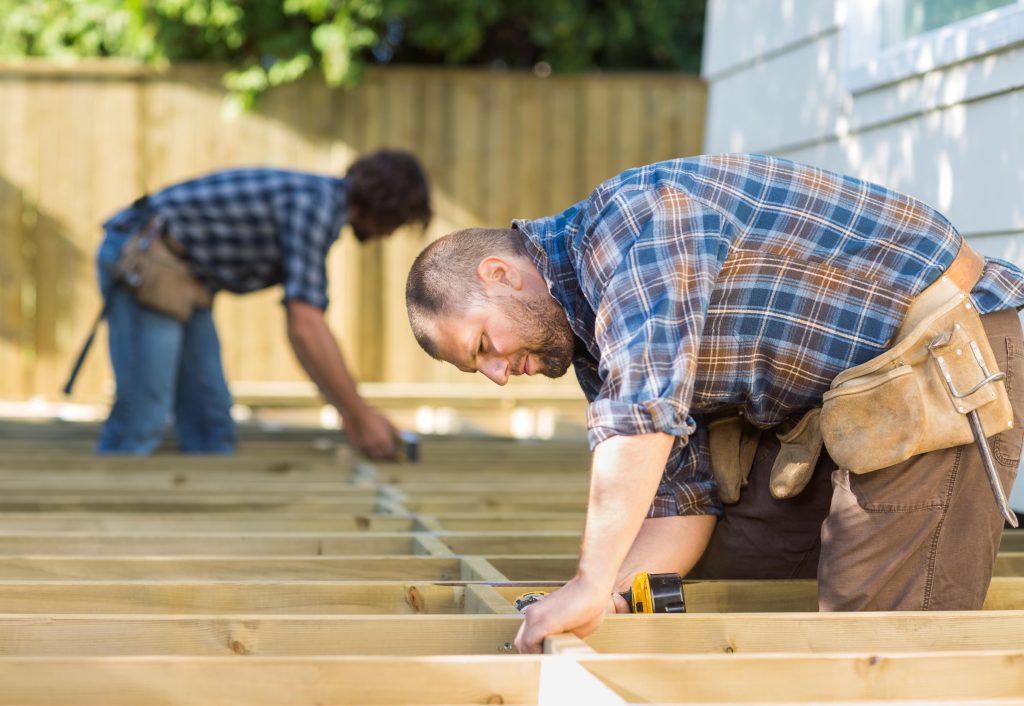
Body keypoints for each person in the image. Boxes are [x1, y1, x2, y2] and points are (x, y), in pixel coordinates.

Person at [405, 154, 1024, 652]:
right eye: (477, 366)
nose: (496, 376)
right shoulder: (593, 342)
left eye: (483, 344)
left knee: (869, 643)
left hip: (939, 362)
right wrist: (610, 597)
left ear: (500, 274)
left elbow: (641, 411)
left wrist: (589, 580)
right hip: (848, 408)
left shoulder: (631, 224)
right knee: (737, 568)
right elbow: (683, 502)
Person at [95, 149, 431, 458]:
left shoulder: (320, 203)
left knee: (211, 429)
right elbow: (305, 328)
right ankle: (105, 512)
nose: (389, 234)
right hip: (145, 257)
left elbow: (306, 332)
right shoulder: (315, 206)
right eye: (397, 224)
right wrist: (359, 416)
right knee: (142, 420)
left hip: (186, 275)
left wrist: (353, 413)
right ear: (386, 207)